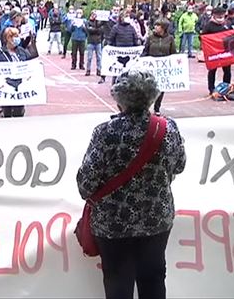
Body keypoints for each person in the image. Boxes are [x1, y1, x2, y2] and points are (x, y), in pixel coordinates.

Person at [77, 70, 186, 299]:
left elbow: (85, 184)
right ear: (153, 96)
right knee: (154, 279)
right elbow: (179, 166)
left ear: (119, 99)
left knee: (117, 284)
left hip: (112, 226)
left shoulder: (106, 132)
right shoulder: (168, 129)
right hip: (157, 220)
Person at [0, 27, 30, 118]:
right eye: (15, 36)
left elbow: (29, 63)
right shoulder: (0, 53)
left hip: (20, 85)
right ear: (8, 38)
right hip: (7, 86)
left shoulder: (21, 51)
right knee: (7, 113)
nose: (18, 39)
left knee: (19, 112)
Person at [143, 19, 176, 115]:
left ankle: (157, 108)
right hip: (151, 66)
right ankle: (145, 107)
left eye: (158, 25)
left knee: (161, 88)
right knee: (148, 88)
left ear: (163, 28)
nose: (156, 27)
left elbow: (173, 52)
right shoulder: (150, 38)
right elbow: (146, 51)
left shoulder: (170, 38)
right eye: (155, 25)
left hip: (163, 68)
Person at [99, 10, 139, 85]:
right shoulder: (116, 27)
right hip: (118, 53)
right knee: (117, 72)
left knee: (128, 73)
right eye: (126, 16)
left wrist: (137, 48)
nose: (127, 18)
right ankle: (115, 87)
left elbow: (135, 39)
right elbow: (111, 39)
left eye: (128, 16)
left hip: (129, 53)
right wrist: (110, 48)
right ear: (121, 18)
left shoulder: (131, 28)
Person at [201, 7, 232, 96]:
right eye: (218, 14)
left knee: (227, 71)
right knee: (212, 70)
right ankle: (211, 89)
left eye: (222, 14)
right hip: (213, 52)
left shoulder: (228, 24)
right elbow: (203, 37)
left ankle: (226, 88)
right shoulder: (209, 25)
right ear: (214, 15)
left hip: (225, 52)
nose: (220, 16)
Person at [86, 10, 103, 77]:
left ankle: (99, 70)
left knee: (99, 57)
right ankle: (88, 70)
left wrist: (95, 28)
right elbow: (89, 30)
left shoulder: (99, 22)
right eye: (93, 14)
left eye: (95, 15)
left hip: (98, 42)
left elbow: (101, 30)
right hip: (91, 41)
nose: (94, 16)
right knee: (89, 57)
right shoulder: (88, 22)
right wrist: (95, 29)